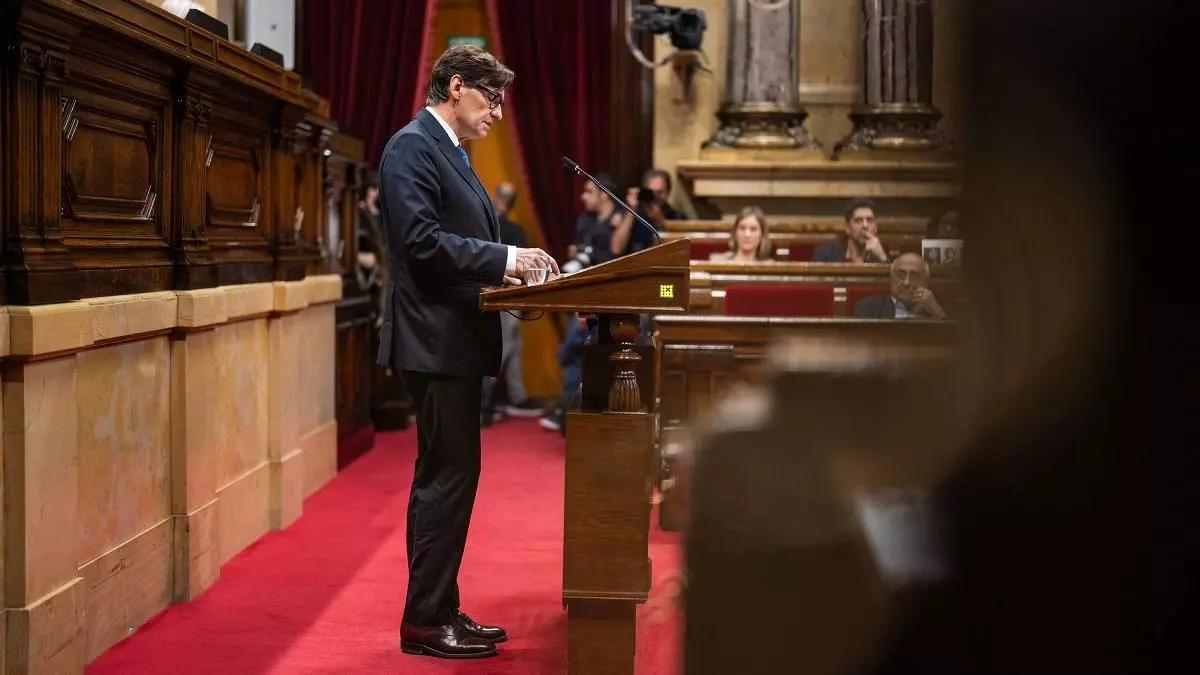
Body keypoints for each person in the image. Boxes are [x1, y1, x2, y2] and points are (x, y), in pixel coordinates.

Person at [376, 44, 558, 660]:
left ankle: (442, 607)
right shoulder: (410, 147)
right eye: (492, 97)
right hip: (433, 342)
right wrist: (506, 257)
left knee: (453, 479)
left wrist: (504, 276)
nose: (499, 113)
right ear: (456, 86)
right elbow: (421, 243)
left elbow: (452, 245)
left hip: (452, 338)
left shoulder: (449, 151)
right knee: (443, 481)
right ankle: (425, 621)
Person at [480, 182, 542, 425]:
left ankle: (516, 397)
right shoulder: (510, 229)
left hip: (502, 296)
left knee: (512, 347)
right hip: (503, 297)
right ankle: (483, 403)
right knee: (501, 349)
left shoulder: (484, 225)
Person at [852, 252, 947, 319]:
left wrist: (938, 313)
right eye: (900, 275)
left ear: (926, 282)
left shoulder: (942, 307)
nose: (906, 282)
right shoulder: (868, 308)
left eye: (914, 276)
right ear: (891, 278)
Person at [620, 168, 681, 254]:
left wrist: (660, 220)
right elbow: (616, 248)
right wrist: (631, 210)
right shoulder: (633, 214)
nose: (656, 197)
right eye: (651, 192)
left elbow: (679, 248)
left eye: (660, 192)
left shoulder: (676, 216)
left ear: (668, 192)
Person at [813, 198, 890, 263]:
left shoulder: (881, 253)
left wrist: (882, 258)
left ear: (875, 227)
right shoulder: (826, 254)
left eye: (869, 220)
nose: (865, 225)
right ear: (847, 228)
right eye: (858, 220)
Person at [708, 206, 773, 262]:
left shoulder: (772, 268)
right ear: (735, 232)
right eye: (742, 228)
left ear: (761, 235)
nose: (747, 234)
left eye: (753, 229)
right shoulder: (718, 262)